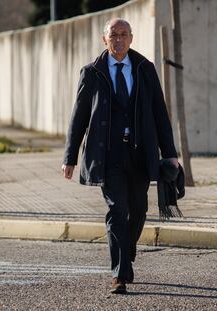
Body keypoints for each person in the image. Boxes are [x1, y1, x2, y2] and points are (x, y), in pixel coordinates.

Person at [62, 18, 178, 294]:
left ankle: (127, 249)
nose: (119, 40)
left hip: (140, 153)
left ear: (131, 38)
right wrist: (70, 156)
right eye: (113, 35)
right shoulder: (92, 72)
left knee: (138, 210)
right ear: (105, 40)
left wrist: (170, 153)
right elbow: (79, 116)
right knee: (117, 209)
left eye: (124, 35)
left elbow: (160, 113)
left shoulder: (144, 69)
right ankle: (120, 274)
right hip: (108, 154)